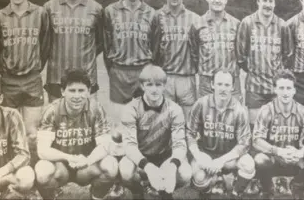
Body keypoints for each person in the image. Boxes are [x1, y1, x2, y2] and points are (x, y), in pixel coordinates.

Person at [236, 0, 293, 194]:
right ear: (258, 1)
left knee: (276, 133)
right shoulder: (247, 23)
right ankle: (252, 176)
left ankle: (277, 178)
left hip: (276, 89)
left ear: (274, 3)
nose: (267, 4)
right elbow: (240, 56)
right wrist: (255, 72)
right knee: (254, 133)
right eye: (264, 0)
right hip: (255, 87)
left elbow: (288, 56)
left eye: (271, 0)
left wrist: (278, 80)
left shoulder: (283, 26)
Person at [0, 0, 51, 166]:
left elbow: (45, 45)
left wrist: (35, 66)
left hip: (32, 80)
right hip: (8, 81)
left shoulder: (40, 13)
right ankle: (14, 179)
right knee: (10, 133)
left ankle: (32, 178)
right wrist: (5, 72)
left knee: (32, 134)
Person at [35, 69, 118, 200]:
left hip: (86, 164)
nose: (77, 96)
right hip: (60, 165)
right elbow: (42, 151)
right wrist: (68, 157)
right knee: (42, 171)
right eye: (72, 91)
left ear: (89, 91)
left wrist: (88, 160)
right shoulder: (52, 110)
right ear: (63, 92)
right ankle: (51, 196)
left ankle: (97, 197)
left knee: (110, 165)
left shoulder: (95, 109)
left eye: (81, 90)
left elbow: (105, 145)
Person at [119, 64, 191, 200]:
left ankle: (163, 192)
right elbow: (129, 146)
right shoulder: (131, 108)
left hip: (164, 156)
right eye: (150, 85)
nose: (154, 90)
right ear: (142, 86)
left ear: (164, 86)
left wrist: (173, 165)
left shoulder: (174, 109)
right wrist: (148, 167)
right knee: (125, 170)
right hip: (140, 157)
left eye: (158, 85)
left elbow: (180, 143)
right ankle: (138, 191)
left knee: (185, 173)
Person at [186, 69, 255, 199]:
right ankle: (206, 193)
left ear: (233, 87)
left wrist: (222, 160)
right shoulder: (201, 104)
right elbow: (190, 133)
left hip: (229, 158)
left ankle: (236, 193)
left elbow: (244, 143)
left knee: (248, 164)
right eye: (219, 84)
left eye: (227, 85)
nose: (223, 88)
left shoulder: (239, 110)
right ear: (212, 84)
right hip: (206, 154)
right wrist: (199, 156)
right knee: (199, 177)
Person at [252, 69, 304, 200]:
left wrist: (300, 153)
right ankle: (267, 189)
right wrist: (278, 151)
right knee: (259, 160)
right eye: (281, 88)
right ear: (275, 90)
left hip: (295, 159)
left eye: (289, 88)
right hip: (274, 158)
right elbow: (256, 140)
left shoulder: (303, 111)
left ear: (294, 90)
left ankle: (297, 186)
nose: (285, 92)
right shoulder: (266, 110)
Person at [103, 0, 156, 128]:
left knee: (146, 121)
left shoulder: (151, 12)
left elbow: (155, 46)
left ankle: (144, 152)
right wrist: (112, 69)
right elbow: (106, 45)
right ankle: (122, 152)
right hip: (119, 71)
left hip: (143, 70)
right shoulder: (110, 11)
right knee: (121, 123)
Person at [43, 0, 103, 102]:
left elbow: (100, 42)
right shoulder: (49, 7)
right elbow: (44, 42)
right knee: (58, 121)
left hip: (86, 78)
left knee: (87, 121)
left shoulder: (96, 9)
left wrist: (85, 56)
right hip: (56, 78)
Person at [151, 0, 200, 120]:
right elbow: (152, 49)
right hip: (165, 77)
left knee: (188, 123)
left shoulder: (194, 18)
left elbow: (199, 49)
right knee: (165, 123)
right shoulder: (156, 16)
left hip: (187, 77)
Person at [189, 0, 242, 101]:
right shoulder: (197, 24)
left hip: (231, 81)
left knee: (232, 117)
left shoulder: (236, 24)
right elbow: (194, 53)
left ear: (226, 0)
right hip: (207, 82)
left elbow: (241, 53)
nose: (217, 0)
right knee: (207, 117)